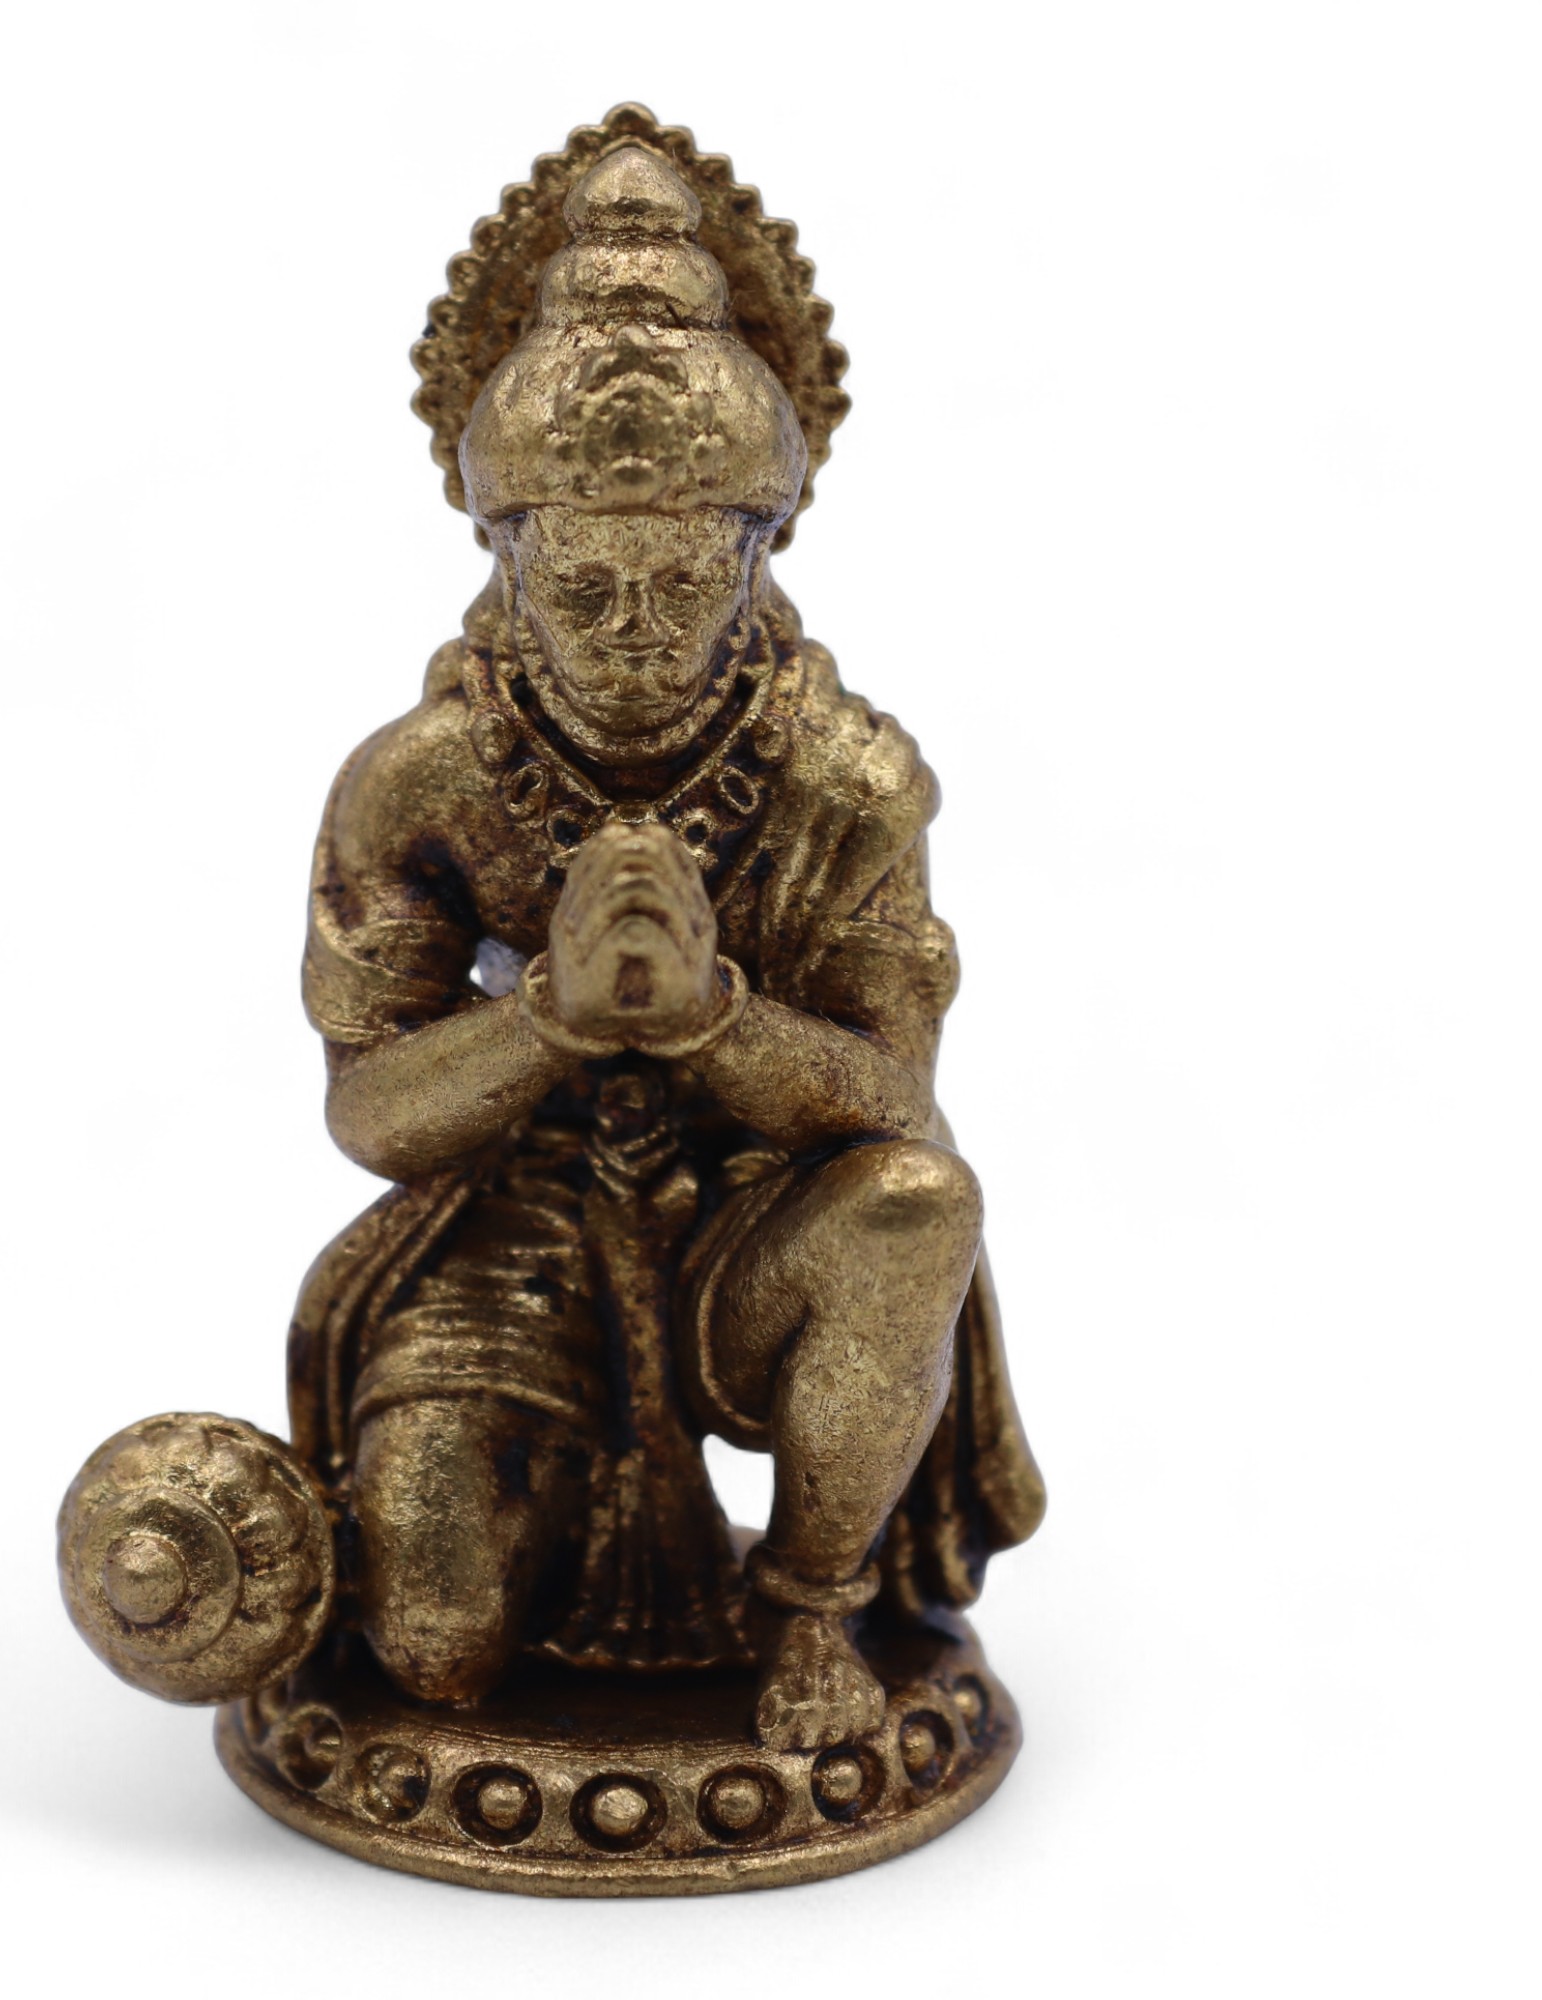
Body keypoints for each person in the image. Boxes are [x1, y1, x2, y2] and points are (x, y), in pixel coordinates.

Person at [288, 145, 1042, 1751]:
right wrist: (546, 1024)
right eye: (583, 584)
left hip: (756, 1228)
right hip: (517, 1233)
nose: (633, 631)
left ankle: (814, 1602)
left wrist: (712, 1025)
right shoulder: (422, 783)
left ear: (757, 551)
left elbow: (893, 1113)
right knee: (433, 1650)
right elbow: (368, 1108)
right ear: (506, 553)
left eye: (683, 580)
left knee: (920, 1209)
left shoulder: (844, 784)